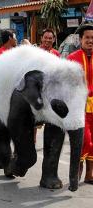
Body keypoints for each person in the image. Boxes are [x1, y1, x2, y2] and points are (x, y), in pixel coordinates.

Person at [67, 24, 93, 184]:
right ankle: (76, 174)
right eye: (87, 38)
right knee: (84, 140)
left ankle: (90, 175)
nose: (90, 41)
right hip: (79, 108)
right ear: (81, 39)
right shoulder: (72, 59)